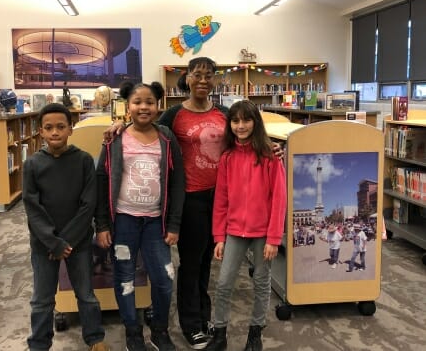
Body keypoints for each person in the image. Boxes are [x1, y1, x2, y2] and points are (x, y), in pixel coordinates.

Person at [105, 57, 283, 349]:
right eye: (197, 74)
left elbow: (246, 139)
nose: (203, 80)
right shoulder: (174, 115)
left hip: (225, 198)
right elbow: (144, 126)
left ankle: (205, 316)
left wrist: (271, 146)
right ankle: (191, 324)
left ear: (215, 80)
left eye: (209, 75)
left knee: (208, 264)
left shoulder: (226, 114)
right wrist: (119, 125)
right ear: (187, 78)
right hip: (190, 198)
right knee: (190, 263)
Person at [95, 81, 185, 351]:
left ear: (158, 106)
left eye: (150, 102)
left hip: (156, 222)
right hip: (123, 221)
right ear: (128, 106)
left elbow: (178, 181)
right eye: (137, 102)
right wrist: (102, 224)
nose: (144, 107)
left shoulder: (167, 138)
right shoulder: (116, 138)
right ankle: (132, 331)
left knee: (164, 279)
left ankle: (159, 329)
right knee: (124, 278)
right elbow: (102, 179)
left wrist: (174, 223)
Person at [22, 103, 110, 351]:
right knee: (42, 299)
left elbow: (88, 204)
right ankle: (39, 344)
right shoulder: (32, 165)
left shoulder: (83, 161)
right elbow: (32, 208)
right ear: (41, 131)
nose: (55, 133)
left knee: (86, 294)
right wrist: (54, 242)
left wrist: (66, 241)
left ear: (71, 129)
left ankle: (95, 338)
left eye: (61, 127)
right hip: (44, 246)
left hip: (78, 243)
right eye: (48, 128)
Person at [205, 100, 287, 351]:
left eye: (246, 120)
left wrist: (274, 238)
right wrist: (219, 236)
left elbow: (279, 199)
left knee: (262, 282)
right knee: (224, 282)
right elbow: (221, 199)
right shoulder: (228, 157)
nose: (241, 126)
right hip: (234, 231)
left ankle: (255, 334)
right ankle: (219, 334)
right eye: (235, 121)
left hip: (263, 233)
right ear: (230, 124)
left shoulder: (270, 156)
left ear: (255, 122)